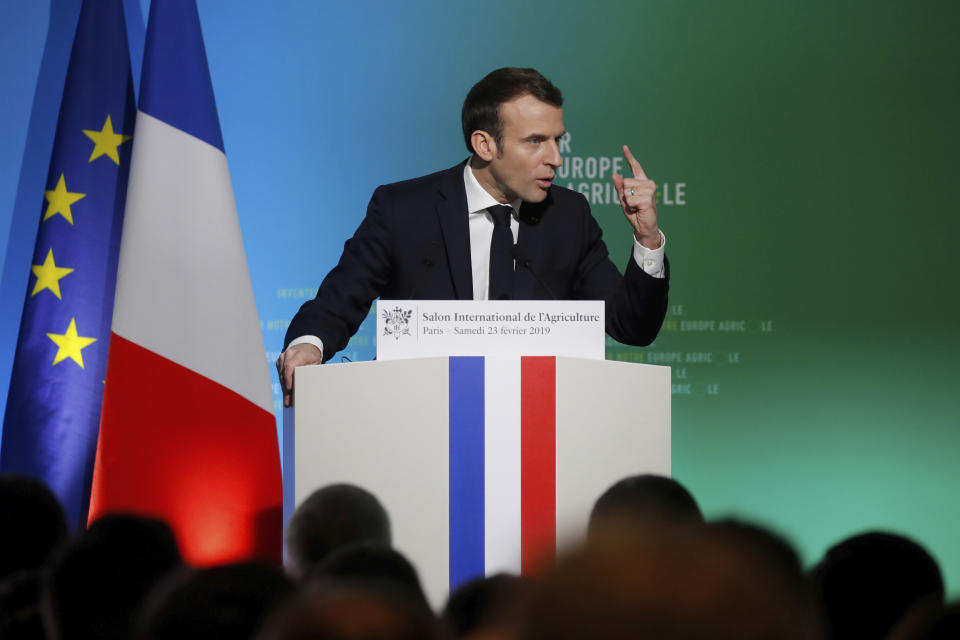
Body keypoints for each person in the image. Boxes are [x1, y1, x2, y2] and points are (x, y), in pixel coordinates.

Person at [277, 67, 670, 406]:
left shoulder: (569, 216)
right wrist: (308, 346)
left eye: (557, 140)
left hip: (537, 433)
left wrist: (647, 237)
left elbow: (632, 326)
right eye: (535, 141)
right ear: (485, 144)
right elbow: (340, 299)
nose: (556, 158)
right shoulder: (403, 210)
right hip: (422, 420)